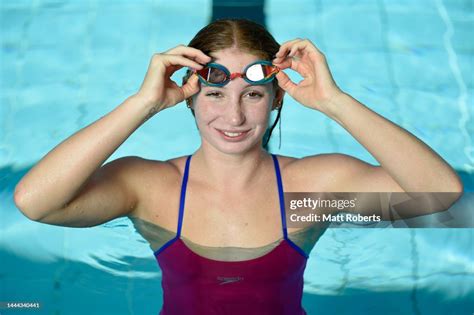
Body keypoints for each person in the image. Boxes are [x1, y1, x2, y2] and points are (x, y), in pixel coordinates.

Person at [14, 18, 463, 315]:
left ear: (275, 98)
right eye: (214, 94)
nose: (233, 118)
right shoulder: (154, 188)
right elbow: (36, 203)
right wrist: (142, 104)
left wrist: (335, 102)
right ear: (191, 97)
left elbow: (440, 195)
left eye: (252, 94)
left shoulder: (308, 191)